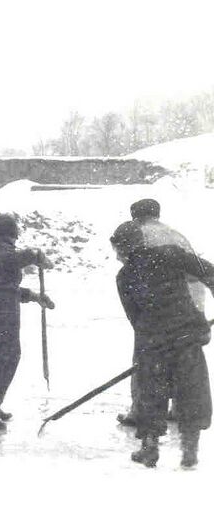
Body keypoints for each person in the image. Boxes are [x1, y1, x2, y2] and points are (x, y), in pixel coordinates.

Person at [111, 220, 214, 468]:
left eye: (117, 250)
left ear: (125, 247)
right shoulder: (170, 254)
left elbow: (133, 316)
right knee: (192, 391)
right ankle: (190, 450)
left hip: (153, 342)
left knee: (151, 394)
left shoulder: (125, 276)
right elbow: (209, 271)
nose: (117, 257)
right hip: (186, 336)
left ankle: (150, 447)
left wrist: (152, 336)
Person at [117, 199, 202, 427]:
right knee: (182, 355)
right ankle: (178, 407)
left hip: (156, 305)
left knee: (146, 356)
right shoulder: (177, 235)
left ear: (136, 216)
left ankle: (139, 410)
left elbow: (130, 271)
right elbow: (199, 271)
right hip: (187, 301)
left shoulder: (138, 233)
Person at [0, 214, 54, 430]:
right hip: (1, 308)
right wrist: (35, 254)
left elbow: (7, 286)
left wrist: (35, 297)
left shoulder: (0, 249)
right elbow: (12, 262)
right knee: (6, 355)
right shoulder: (3, 248)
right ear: (12, 232)